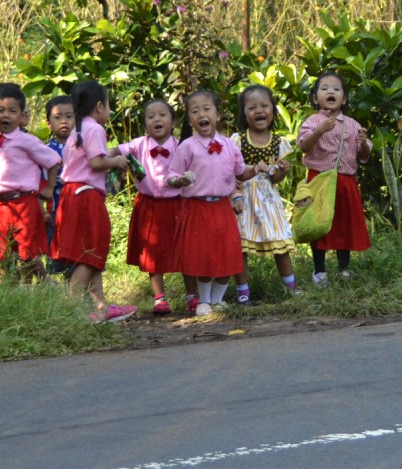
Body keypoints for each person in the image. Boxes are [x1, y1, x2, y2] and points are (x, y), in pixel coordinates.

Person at [167, 90, 263, 316]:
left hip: (222, 207)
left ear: (217, 115)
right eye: (195, 111)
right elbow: (171, 175)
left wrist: (256, 169)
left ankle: (218, 300)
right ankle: (204, 300)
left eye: (207, 109)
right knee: (202, 254)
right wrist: (179, 180)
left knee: (226, 252)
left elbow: (241, 172)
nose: (202, 114)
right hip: (196, 208)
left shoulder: (229, 145)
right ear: (190, 120)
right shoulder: (187, 146)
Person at [49, 80, 137, 322]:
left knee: (90, 251)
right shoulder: (95, 128)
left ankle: (100, 308)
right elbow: (97, 163)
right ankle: (69, 307)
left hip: (71, 194)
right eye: (108, 105)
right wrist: (118, 162)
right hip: (86, 195)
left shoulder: (78, 130)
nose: (109, 110)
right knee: (89, 253)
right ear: (99, 106)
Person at [0, 83, 60, 280]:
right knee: (5, 253)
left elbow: (53, 161)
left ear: (21, 115)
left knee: (28, 252)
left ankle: (45, 285)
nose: (5, 115)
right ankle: (12, 289)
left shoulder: (28, 141)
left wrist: (49, 188)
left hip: (24, 202)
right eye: (1, 111)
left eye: (12, 111)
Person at [295, 71, 372, 287]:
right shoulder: (313, 121)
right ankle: (319, 271)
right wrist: (319, 130)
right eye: (325, 88)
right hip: (319, 180)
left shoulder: (353, 124)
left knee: (344, 224)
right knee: (318, 222)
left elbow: (363, 155)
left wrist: (365, 142)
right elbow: (303, 146)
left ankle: (344, 268)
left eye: (336, 89)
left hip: (345, 182)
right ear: (315, 97)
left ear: (344, 99)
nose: (331, 92)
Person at [110, 98, 182, 315]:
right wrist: (105, 160)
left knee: (183, 249)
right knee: (153, 252)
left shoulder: (181, 146)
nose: (157, 119)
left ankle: (193, 296)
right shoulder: (138, 144)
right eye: (151, 117)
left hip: (177, 205)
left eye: (162, 115)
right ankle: (160, 298)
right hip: (149, 206)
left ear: (173, 122)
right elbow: (114, 151)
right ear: (145, 125)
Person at [228, 84, 299, 302]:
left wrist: (282, 173)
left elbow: (274, 178)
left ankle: (291, 286)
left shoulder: (279, 143)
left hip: (268, 199)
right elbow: (233, 172)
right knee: (242, 245)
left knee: (280, 244)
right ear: (244, 114)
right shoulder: (238, 140)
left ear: (273, 111)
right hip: (245, 197)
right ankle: (243, 292)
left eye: (264, 106)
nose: (259, 111)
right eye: (252, 107)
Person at [42, 94, 73, 276]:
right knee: (55, 255)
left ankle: (77, 293)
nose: (64, 121)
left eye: (69, 116)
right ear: (48, 123)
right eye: (58, 117)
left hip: (77, 209)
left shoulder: (82, 146)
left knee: (77, 253)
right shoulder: (45, 151)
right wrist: (43, 210)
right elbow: (39, 182)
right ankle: (55, 297)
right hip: (55, 210)